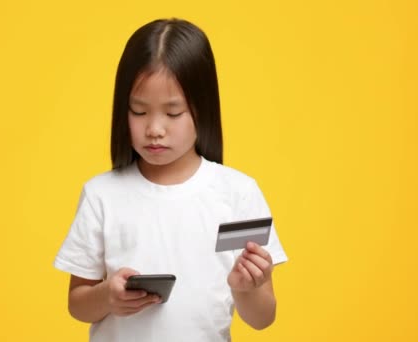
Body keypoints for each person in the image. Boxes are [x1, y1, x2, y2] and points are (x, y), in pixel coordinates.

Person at [54, 18, 288, 341]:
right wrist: (108, 295)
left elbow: (263, 318)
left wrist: (247, 288)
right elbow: (77, 304)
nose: (154, 129)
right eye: (139, 111)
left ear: (202, 110)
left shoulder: (238, 194)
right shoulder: (102, 195)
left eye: (173, 113)